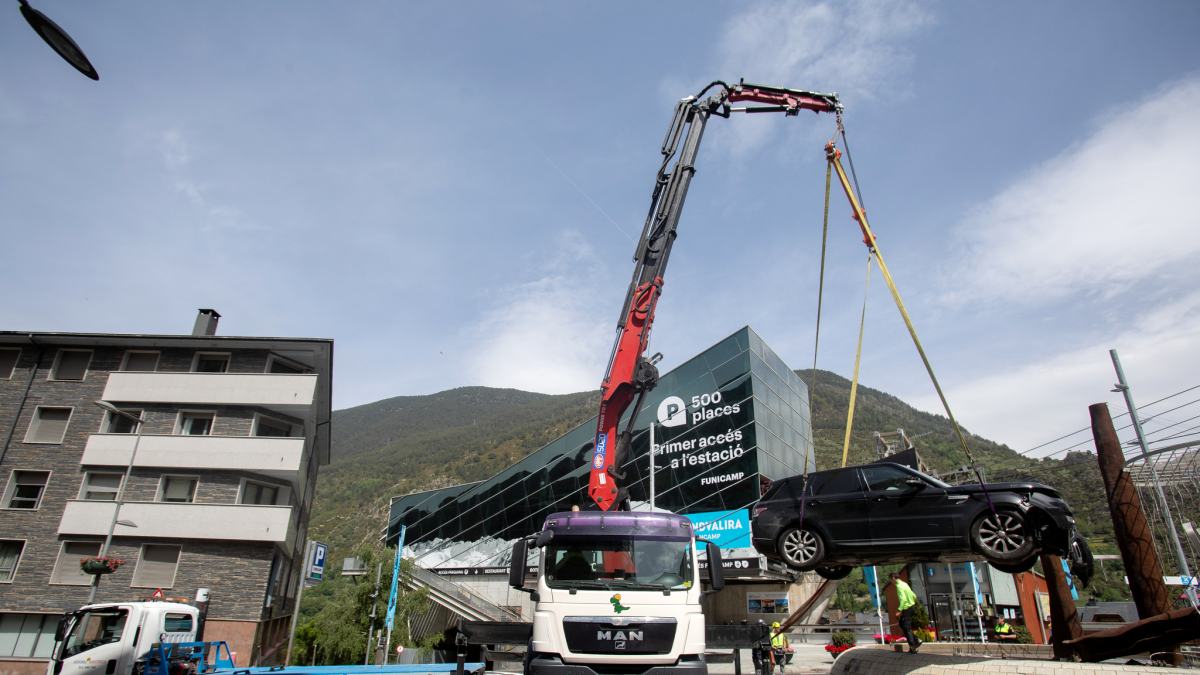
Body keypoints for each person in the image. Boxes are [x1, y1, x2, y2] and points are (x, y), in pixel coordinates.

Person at [889, 572, 922, 654]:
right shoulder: (904, 584)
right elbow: (914, 595)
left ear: (893, 578)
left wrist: (899, 610)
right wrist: (911, 602)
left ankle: (913, 646)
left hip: (907, 608)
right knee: (902, 624)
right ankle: (916, 639)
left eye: (890, 580)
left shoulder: (899, 586)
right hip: (911, 606)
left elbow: (903, 599)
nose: (891, 582)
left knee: (906, 627)